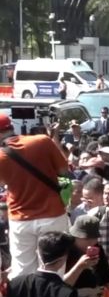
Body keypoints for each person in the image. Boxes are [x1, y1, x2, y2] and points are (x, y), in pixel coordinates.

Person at [0, 113, 70, 280]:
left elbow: (3, 183)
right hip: (52, 215)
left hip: (20, 218)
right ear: (11, 127)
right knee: (54, 272)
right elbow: (64, 172)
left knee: (22, 272)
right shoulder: (42, 141)